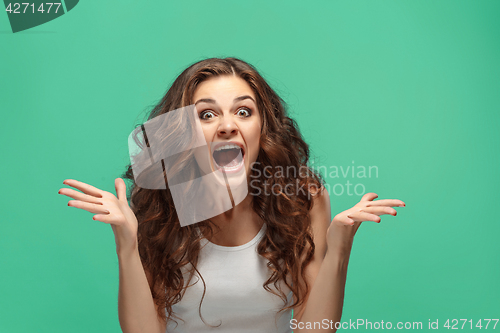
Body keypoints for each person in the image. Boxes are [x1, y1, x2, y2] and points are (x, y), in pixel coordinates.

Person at [58, 57, 405, 333]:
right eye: (206, 115)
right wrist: (127, 247)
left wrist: (339, 249)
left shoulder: (303, 198)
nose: (227, 125)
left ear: (262, 129)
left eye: (243, 111)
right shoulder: (160, 204)